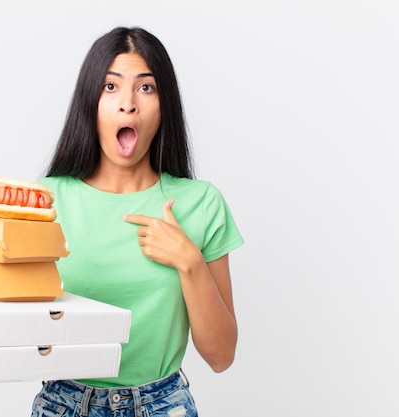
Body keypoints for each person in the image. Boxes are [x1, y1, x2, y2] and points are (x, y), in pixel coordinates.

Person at [32, 26, 244, 417]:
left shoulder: (202, 204)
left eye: (145, 88)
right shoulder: (45, 201)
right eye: (110, 87)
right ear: (89, 103)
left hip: (163, 406)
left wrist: (190, 261)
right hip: (63, 403)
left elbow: (221, 355)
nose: (128, 104)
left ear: (165, 106)